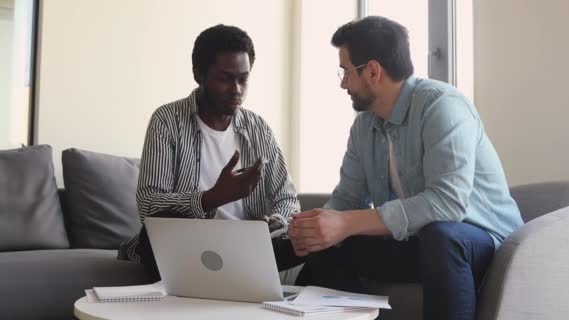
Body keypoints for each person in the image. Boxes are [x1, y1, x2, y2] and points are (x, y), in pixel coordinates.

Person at [288, 16, 524, 320]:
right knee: (328, 249)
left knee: (442, 236)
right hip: (419, 243)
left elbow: (447, 204)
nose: (343, 82)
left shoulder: (443, 106)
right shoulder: (364, 126)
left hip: (482, 244)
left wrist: (346, 224)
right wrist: (319, 228)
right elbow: (348, 199)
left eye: (346, 71)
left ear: (372, 71)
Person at [118, 24, 303, 281]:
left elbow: (288, 198)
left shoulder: (258, 128)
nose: (236, 89)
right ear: (199, 75)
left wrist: (276, 221)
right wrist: (212, 197)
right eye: (225, 78)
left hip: (248, 246)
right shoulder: (167, 120)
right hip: (190, 243)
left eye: (243, 79)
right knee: (159, 227)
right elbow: (149, 205)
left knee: (311, 239)